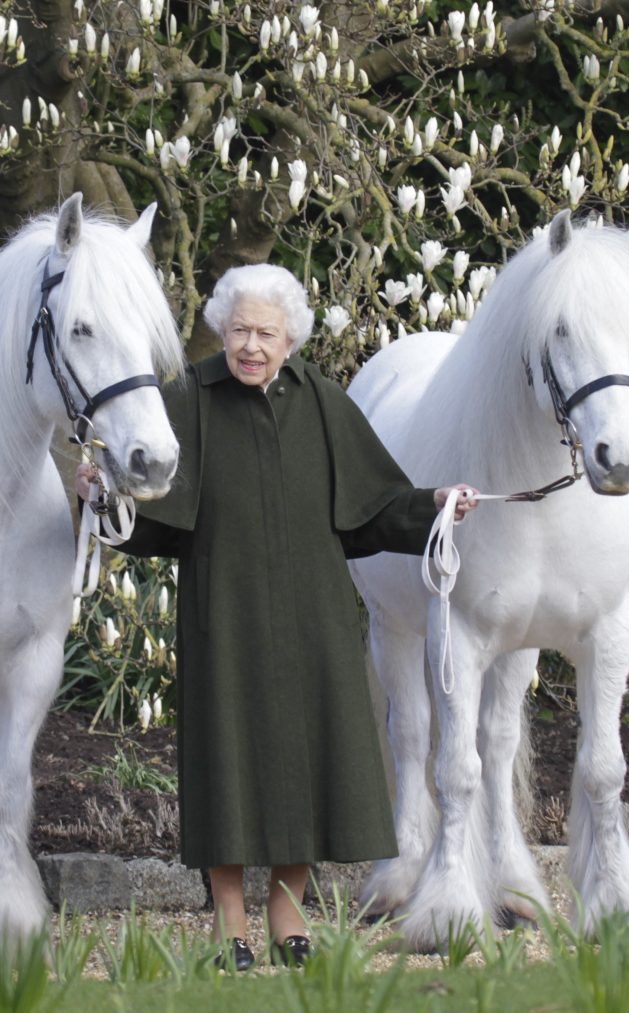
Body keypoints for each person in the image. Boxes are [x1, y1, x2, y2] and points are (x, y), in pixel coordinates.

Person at [76, 264, 476, 970]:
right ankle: (230, 914)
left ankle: (286, 905)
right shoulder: (190, 398)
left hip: (312, 617)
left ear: (290, 337)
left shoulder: (322, 401)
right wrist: (103, 497)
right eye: (238, 331)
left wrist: (438, 503)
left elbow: (375, 507)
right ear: (221, 332)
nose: (250, 346)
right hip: (221, 615)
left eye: (264, 332)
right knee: (226, 763)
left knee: (308, 763)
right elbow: (150, 517)